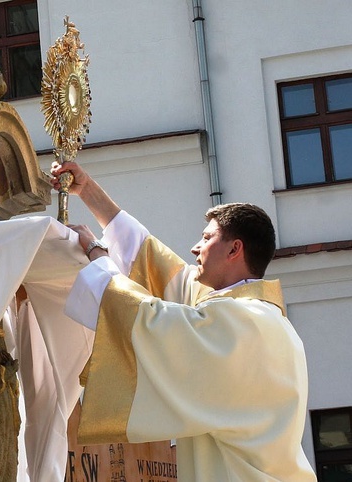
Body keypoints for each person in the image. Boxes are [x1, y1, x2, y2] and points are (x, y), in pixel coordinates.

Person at [51, 161, 316, 481]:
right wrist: (89, 191)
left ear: (234, 248)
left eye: (206, 238)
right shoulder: (262, 318)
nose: (195, 248)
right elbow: (156, 264)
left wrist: (97, 255)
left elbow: (151, 323)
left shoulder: (242, 323)